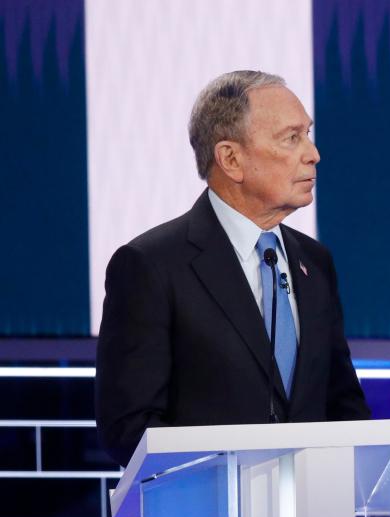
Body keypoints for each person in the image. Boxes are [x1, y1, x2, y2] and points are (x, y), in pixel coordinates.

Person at [96, 70, 369, 467]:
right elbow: (128, 429)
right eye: (291, 138)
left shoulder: (315, 263)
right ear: (231, 159)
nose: (313, 153)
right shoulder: (150, 266)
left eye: (307, 135)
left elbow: (342, 404)